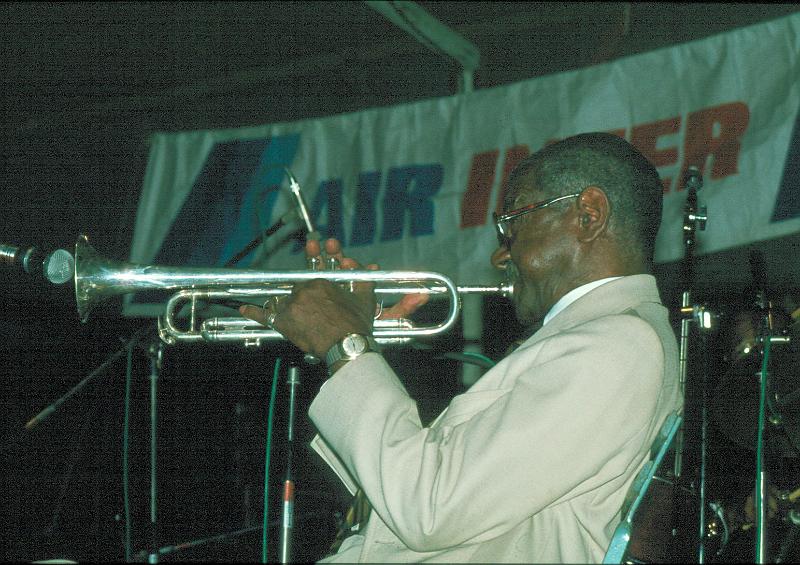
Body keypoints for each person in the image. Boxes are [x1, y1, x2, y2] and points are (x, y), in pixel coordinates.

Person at [240, 132, 683, 563]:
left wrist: (345, 345)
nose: (499, 256)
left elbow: (430, 510)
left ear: (589, 215)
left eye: (511, 224)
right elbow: (417, 494)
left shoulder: (615, 346)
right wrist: (351, 348)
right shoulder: (599, 340)